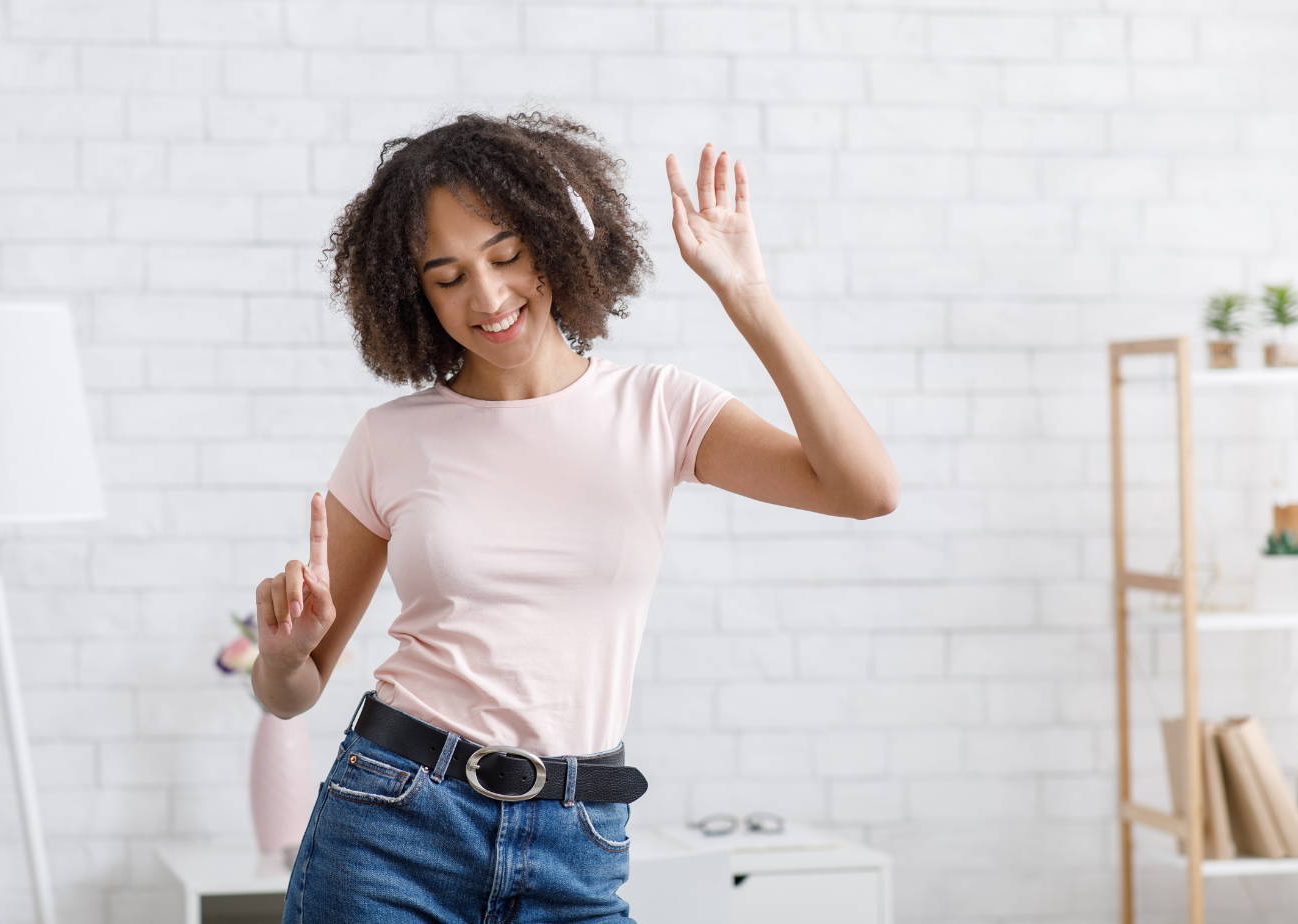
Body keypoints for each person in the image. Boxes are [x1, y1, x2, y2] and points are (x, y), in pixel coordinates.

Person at [254, 110, 899, 923]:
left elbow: (865, 490)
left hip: (576, 841)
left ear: (553, 241)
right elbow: (290, 693)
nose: (486, 297)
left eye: (506, 256)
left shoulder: (661, 408)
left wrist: (748, 297)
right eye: (447, 277)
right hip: (392, 827)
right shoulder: (391, 438)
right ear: (413, 294)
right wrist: (283, 655)